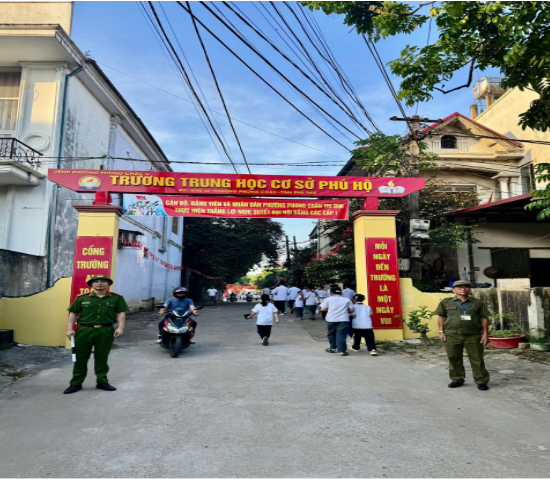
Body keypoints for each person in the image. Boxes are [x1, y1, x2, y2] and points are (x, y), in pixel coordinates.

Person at [63, 275, 129, 394]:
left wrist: (120, 327)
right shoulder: (82, 298)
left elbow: (120, 313)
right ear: (91, 284)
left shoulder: (116, 298)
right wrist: (69, 328)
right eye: (96, 281)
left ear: (108, 284)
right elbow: (73, 313)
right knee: (80, 358)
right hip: (84, 330)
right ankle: (76, 383)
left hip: (105, 330)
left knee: (102, 357)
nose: (99, 283)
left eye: (103, 281)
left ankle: (102, 381)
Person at [435, 280, 490, 391]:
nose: (463, 289)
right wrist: (441, 332)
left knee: (477, 358)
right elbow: (441, 317)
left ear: (469, 289)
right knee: (454, 357)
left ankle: (481, 380)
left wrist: (485, 334)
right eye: (459, 287)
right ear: (453, 290)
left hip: (473, 335)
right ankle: (457, 379)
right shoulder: (446, 302)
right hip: (452, 335)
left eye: (466, 287)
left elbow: (483, 318)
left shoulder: (478, 303)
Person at [321, 286, 354, 356]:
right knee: (341, 334)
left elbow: (323, 309)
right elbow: (351, 310)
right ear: (341, 292)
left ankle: (333, 348)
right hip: (343, 319)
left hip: (331, 319)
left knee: (331, 333)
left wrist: (330, 309)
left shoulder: (327, 299)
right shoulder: (347, 299)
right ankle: (342, 351)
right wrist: (346, 312)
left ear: (331, 293)